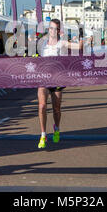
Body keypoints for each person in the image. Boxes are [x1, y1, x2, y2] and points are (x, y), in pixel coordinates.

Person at [36, 19, 82, 149]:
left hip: (57, 80)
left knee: (56, 109)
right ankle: (43, 134)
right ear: (48, 29)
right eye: (50, 28)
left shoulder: (62, 43)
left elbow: (79, 47)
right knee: (42, 106)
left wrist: (81, 35)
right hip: (43, 79)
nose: (52, 30)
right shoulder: (43, 43)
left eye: (55, 28)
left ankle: (56, 128)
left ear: (59, 31)